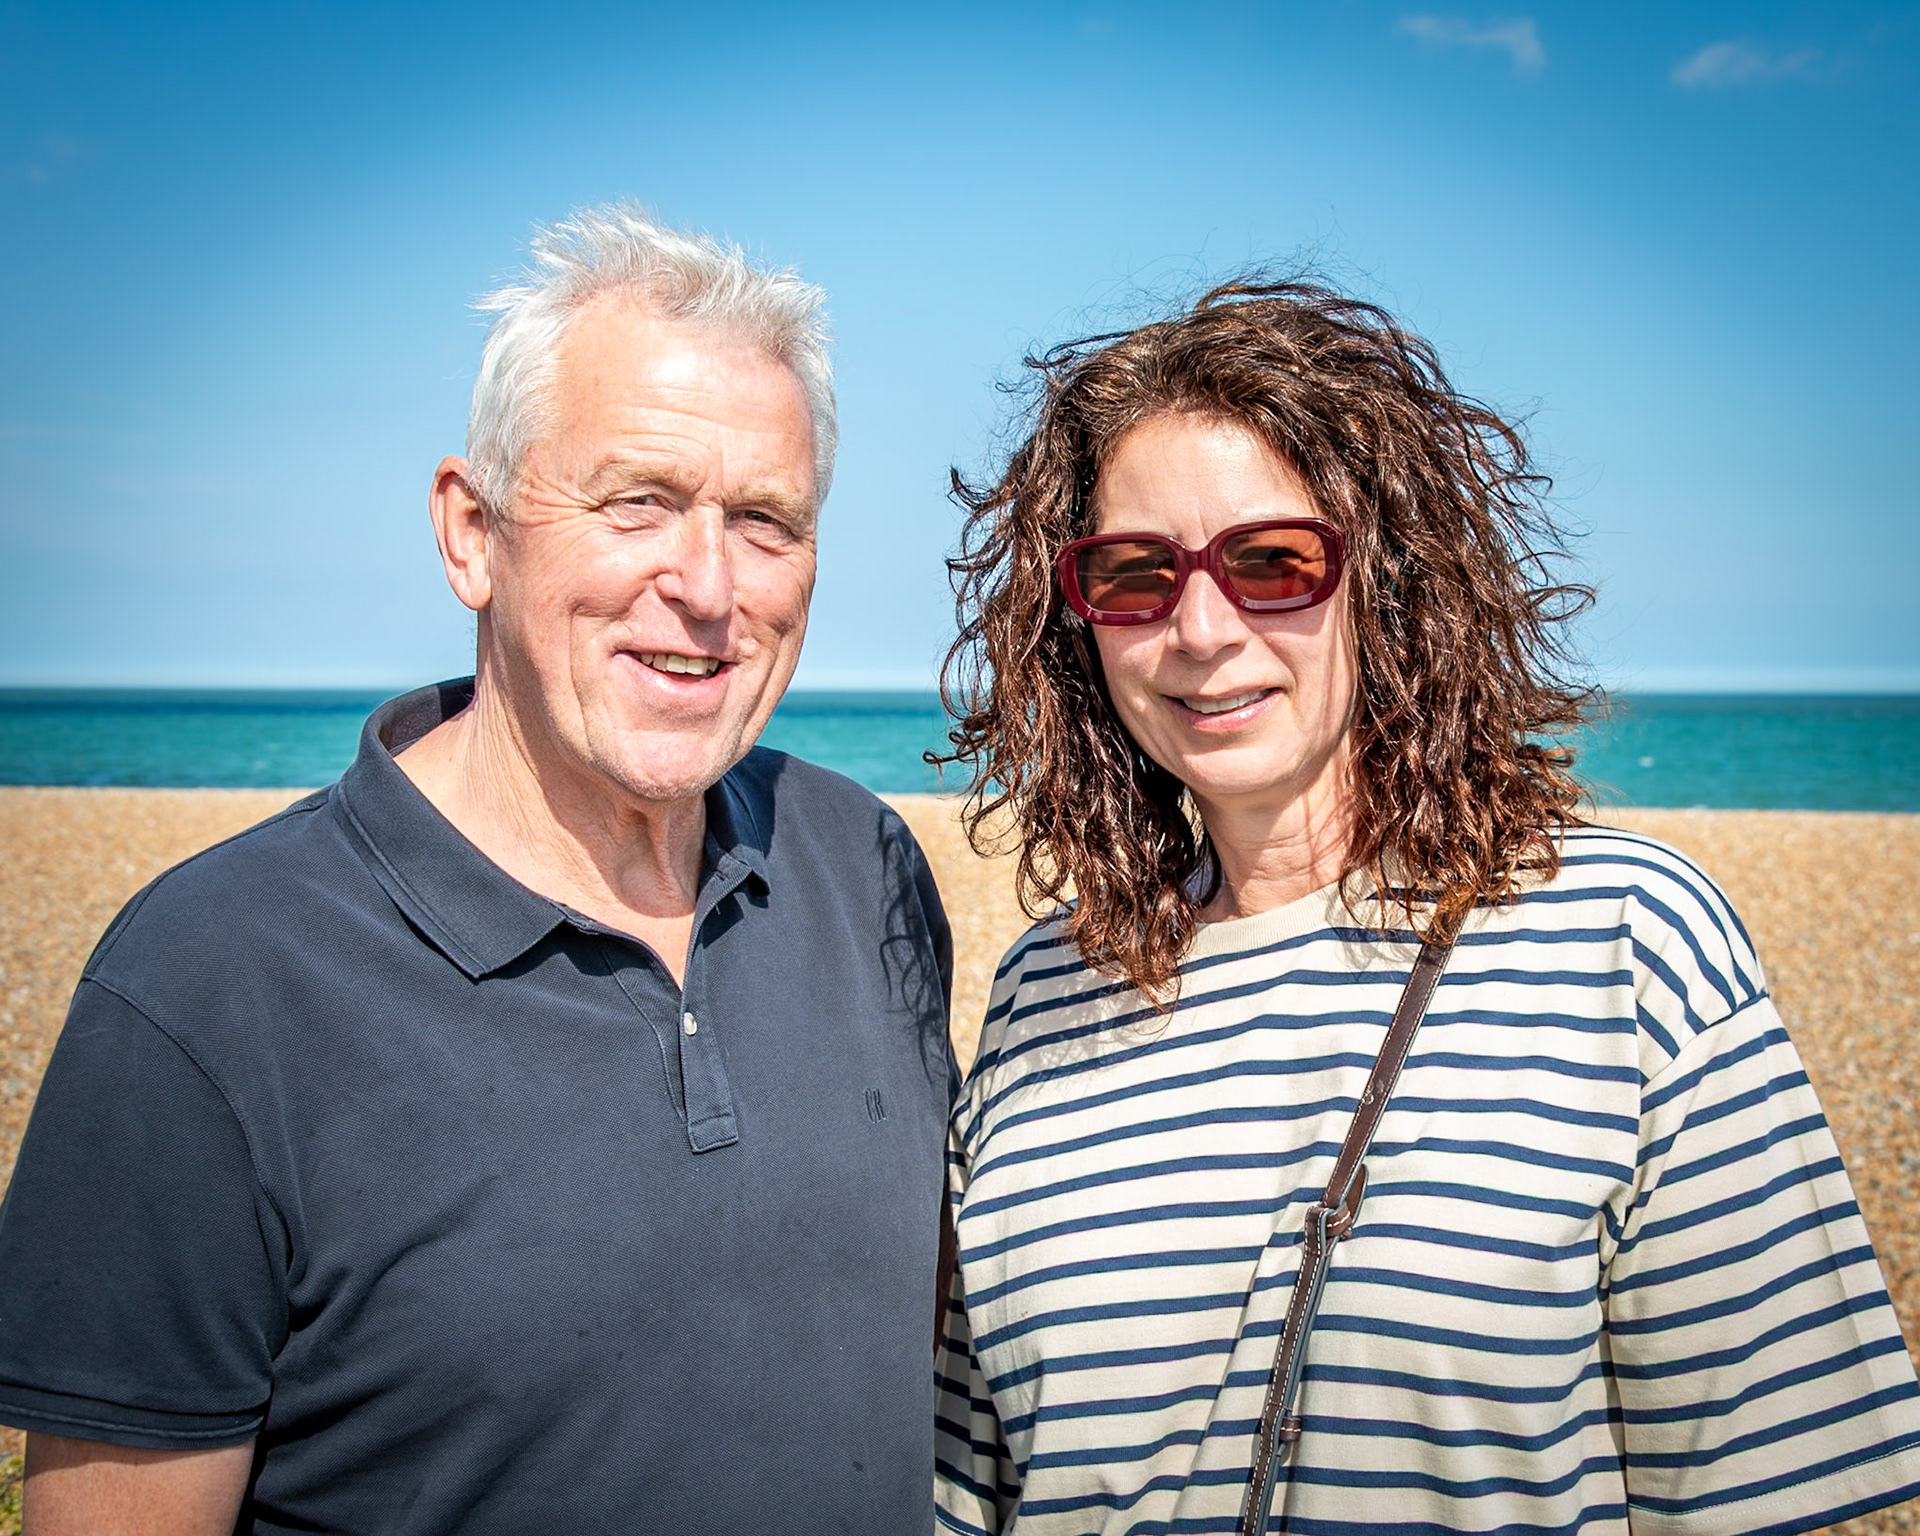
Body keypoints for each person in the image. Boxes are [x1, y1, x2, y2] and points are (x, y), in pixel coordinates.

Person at [0, 205, 957, 1533]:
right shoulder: (208, 985)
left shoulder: (865, 870)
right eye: (641, 501)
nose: (707, 584)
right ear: (473, 532)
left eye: (766, 522)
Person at [931, 279, 1920, 1534]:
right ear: (1079, 621)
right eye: (1133, 574)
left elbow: (1754, 1493)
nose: (1199, 628)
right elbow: (971, 1483)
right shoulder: (1040, 994)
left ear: (1386, 580)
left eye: (1273, 561)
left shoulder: (1629, 944)